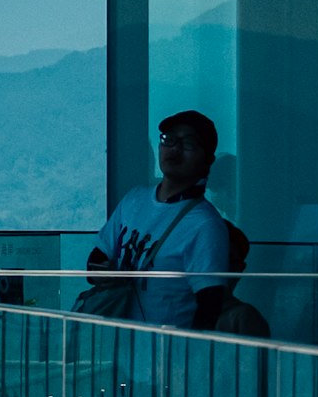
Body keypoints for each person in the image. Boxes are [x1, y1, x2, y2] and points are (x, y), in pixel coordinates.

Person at [89, 110, 239, 329]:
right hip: (118, 345)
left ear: (208, 160)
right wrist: (104, 274)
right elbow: (95, 259)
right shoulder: (134, 200)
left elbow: (209, 304)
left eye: (188, 143)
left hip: (164, 354)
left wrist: (188, 357)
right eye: (168, 139)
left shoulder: (205, 225)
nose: (175, 149)